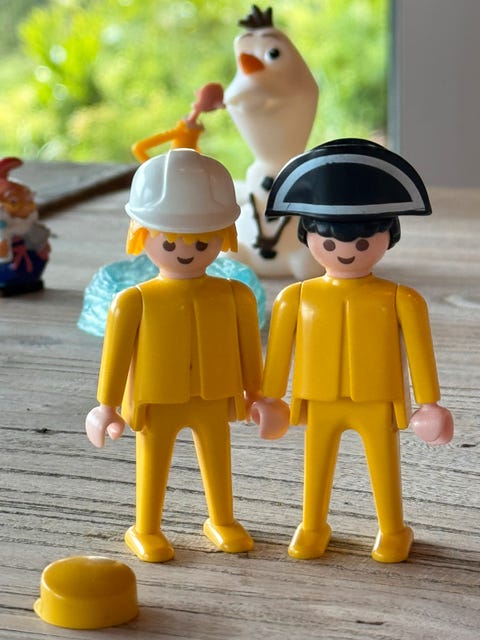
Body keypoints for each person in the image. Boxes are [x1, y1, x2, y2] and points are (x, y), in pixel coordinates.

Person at [252, 138, 454, 563]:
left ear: (389, 237)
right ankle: (312, 525)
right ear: (306, 237)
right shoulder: (295, 298)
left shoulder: (401, 298)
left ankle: (393, 529)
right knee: (315, 466)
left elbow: (420, 353)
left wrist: (430, 403)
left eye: (363, 243)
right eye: (329, 242)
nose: (345, 251)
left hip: (377, 398)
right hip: (319, 398)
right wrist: (270, 398)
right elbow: (280, 352)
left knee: (384, 466)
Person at [86, 148, 263, 562]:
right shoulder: (133, 301)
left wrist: (258, 395)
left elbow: (249, 349)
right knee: (153, 462)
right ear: (141, 235)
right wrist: (105, 406)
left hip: (215, 394)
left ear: (224, 236)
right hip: (157, 397)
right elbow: (116, 356)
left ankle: (222, 520)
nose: (186, 251)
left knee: (218, 459)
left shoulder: (235, 295)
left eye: (202, 241)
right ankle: (146, 529)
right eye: (169, 241)